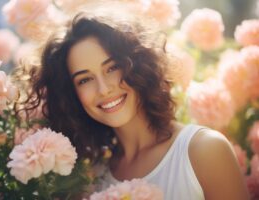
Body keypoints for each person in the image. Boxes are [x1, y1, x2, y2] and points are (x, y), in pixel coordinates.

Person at [21, 10, 249, 200]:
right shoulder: (92, 177)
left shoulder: (204, 151)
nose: (103, 89)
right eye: (85, 79)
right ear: (72, 95)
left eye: (111, 68)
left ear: (138, 65)